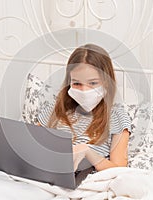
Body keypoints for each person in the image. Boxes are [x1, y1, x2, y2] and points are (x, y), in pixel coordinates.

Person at [37, 44, 132, 172]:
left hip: (84, 180)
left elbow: (120, 170)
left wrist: (87, 153)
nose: (84, 90)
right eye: (77, 83)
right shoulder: (55, 108)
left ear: (106, 81)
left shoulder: (116, 117)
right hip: (46, 173)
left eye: (93, 83)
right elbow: (32, 146)